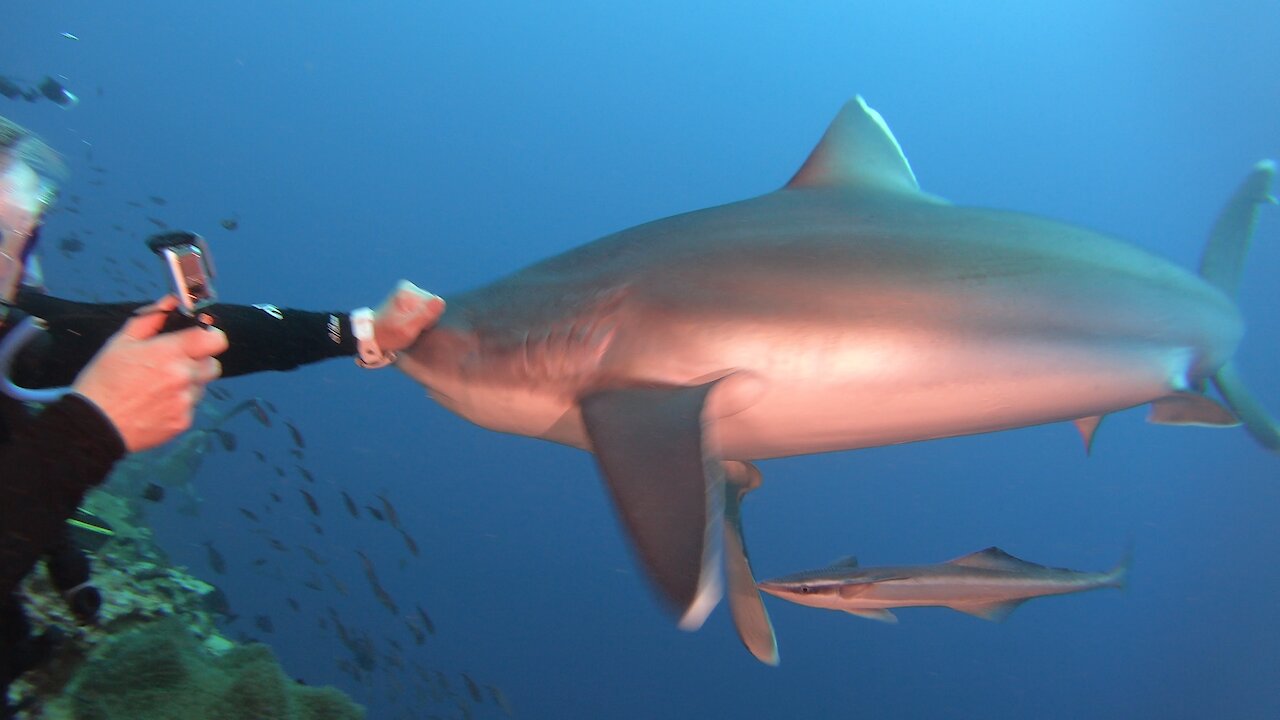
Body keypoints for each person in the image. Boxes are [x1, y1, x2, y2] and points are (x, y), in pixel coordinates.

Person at [0, 116, 443, 714]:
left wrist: (359, 330)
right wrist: (90, 429)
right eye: (5, 238)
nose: (23, 271)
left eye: (29, 238)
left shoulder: (17, 329)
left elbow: (192, 333)